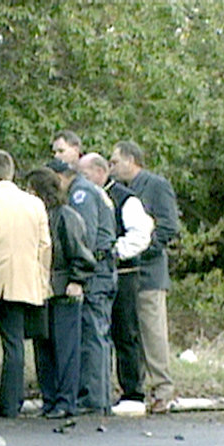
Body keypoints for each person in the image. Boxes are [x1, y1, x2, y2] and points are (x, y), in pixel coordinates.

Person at [0, 149, 52, 418]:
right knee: (14, 344)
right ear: (12, 173)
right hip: (21, 283)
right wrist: (41, 281)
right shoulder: (35, 204)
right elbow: (44, 246)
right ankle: (11, 403)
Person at [77, 152, 154, 416]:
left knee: (125, 331)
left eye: (85, 174)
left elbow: (142, 233)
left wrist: (115, 250)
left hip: (124, 272)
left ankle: (133, 391)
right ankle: (99, 388)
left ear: (100, 172)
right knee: (98, 333)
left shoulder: (125, 198)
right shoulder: (86, 197)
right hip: (99, 273)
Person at [109, 140, 180, 414]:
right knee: (129, 333)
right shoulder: (118, 192)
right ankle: (134, 390)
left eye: (115, 161)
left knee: (153, 333)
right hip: (127, 275)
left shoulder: (155, 185)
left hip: (149, 273)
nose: (112, 167)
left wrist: (143, 250)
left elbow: (168, 227)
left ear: (131, 160)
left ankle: (163, 389)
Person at [46, 158, 117, 415]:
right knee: (93, 333)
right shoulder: (88, 190)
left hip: (95, 273)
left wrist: (79, 276)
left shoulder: (80, 194)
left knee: (92, 334)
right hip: (98, 270)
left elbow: (83, 236)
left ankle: (94, 398)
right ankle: (95, 395)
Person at [25, 167, 96, 419]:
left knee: (65, 348)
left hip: (63, 288)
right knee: (43, 348)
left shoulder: (66, 216)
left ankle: (66, 401)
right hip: (41, 289)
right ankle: (50, 398)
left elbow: (81, 253)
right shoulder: (38, 217)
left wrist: (77, 280)